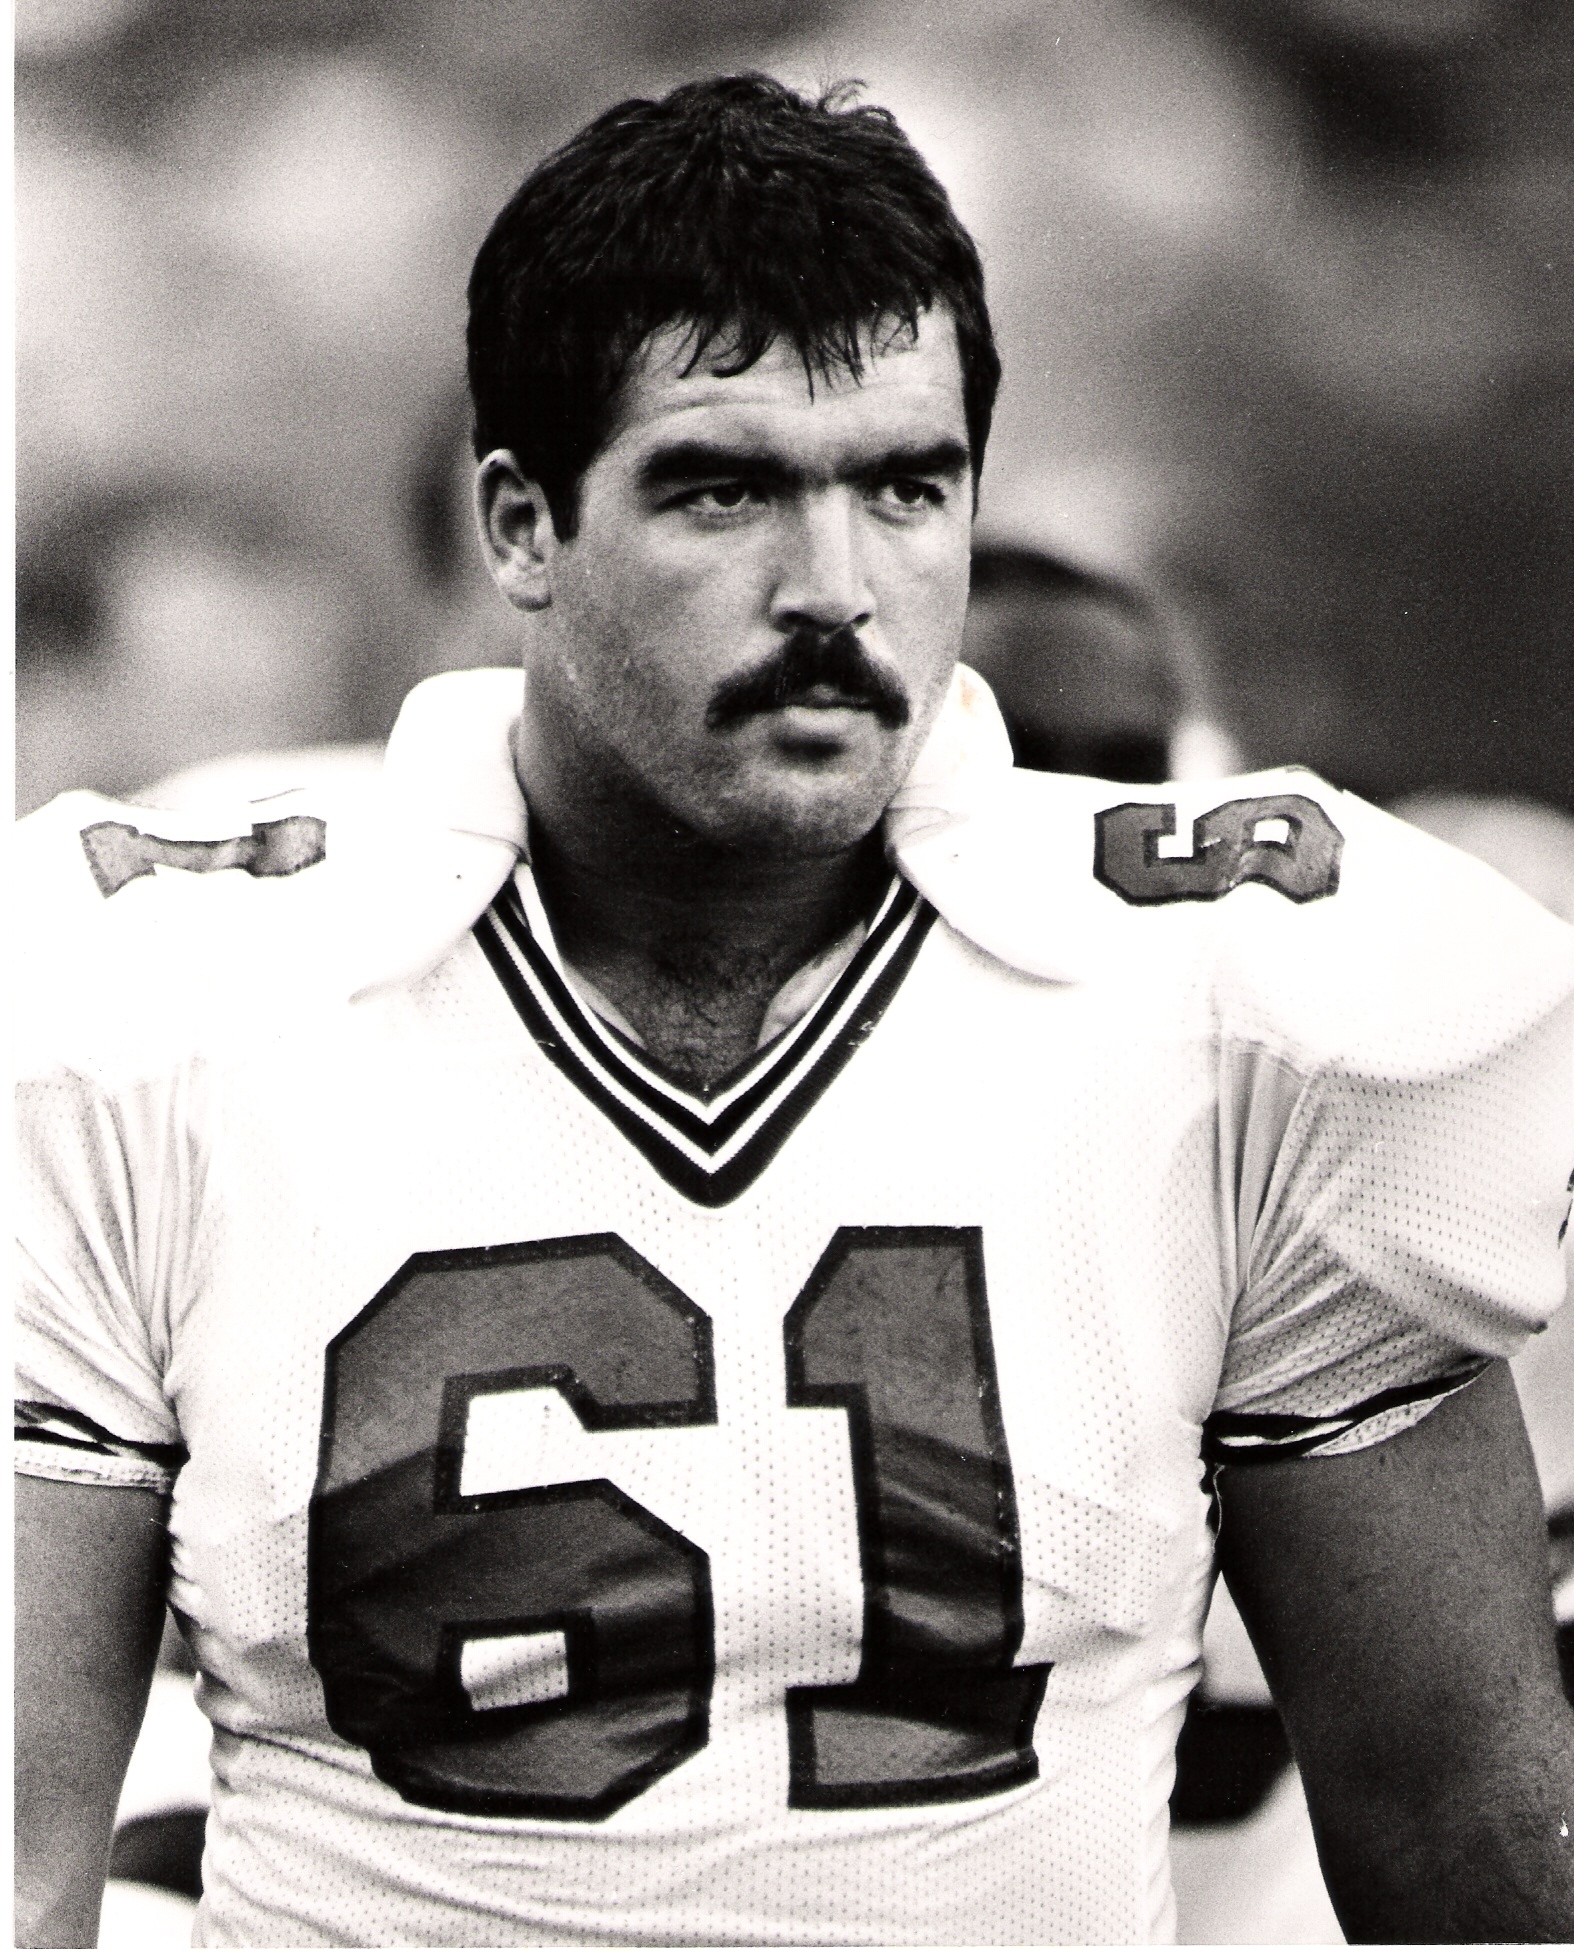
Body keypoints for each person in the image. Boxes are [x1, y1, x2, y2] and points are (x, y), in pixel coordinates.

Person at [14, 73, 1574, 1949]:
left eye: (906, 486)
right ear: (519, 522)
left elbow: (1464, 1858)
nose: (834, 589)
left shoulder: (1251, 1008)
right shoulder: (161, 1006)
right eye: (723, 487)